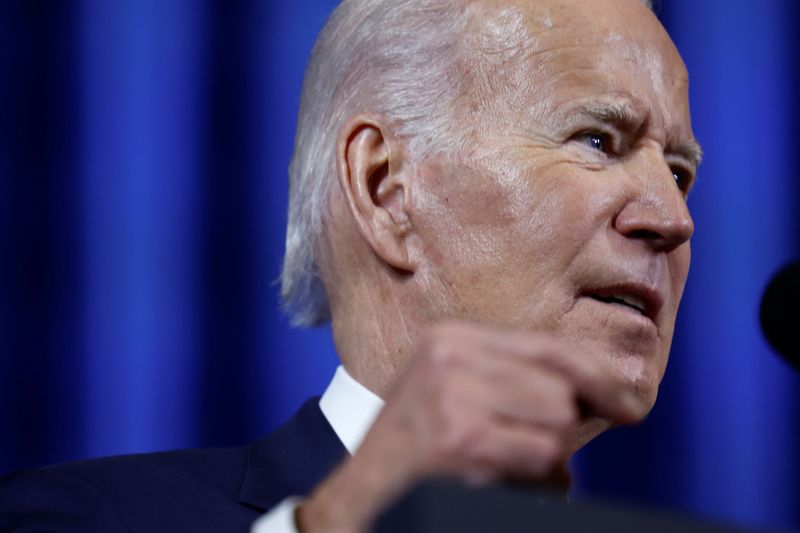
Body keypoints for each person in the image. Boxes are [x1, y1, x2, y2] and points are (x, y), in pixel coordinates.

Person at [0, 0, 702, 531]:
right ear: (384, 187)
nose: (674, 219)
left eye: (680, 171)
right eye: (598, 140)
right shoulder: (77, 516)